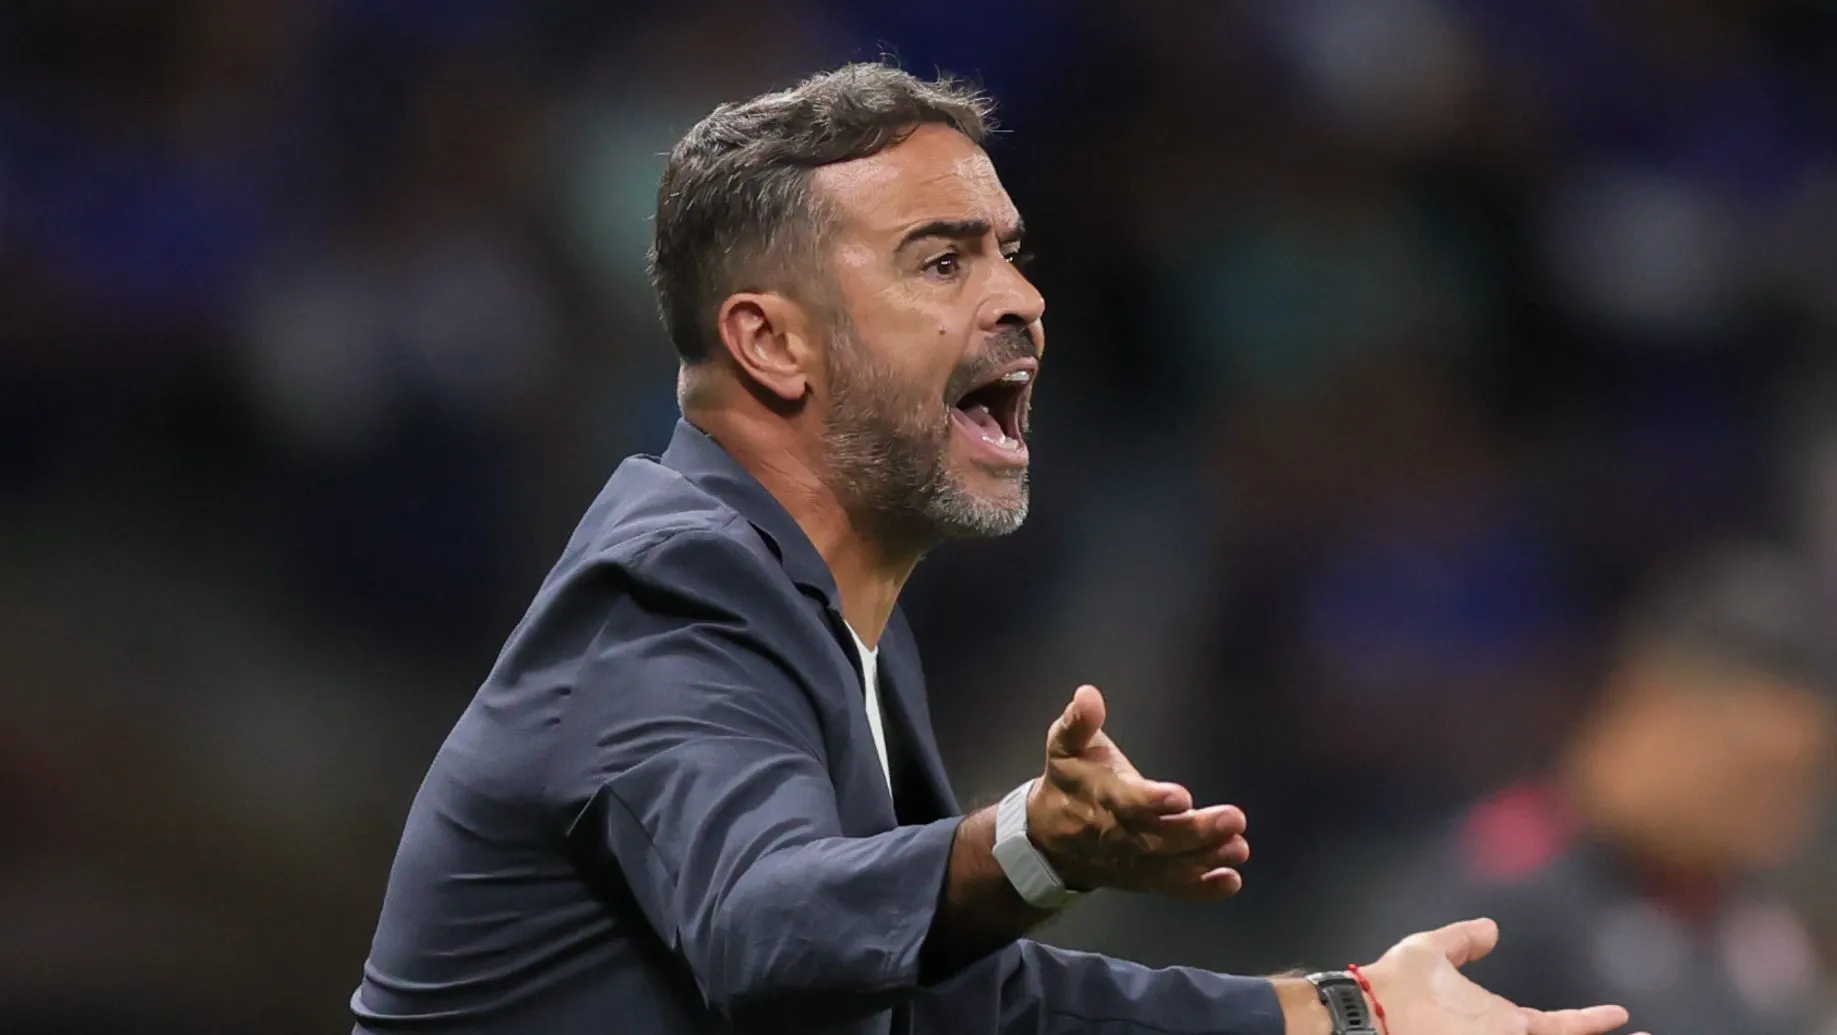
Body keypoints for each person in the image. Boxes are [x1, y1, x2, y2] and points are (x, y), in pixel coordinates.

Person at [351, 63, 1638, 1035]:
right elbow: (765, 927)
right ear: (770, 342)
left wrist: (1354, 1010)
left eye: (1008, 254)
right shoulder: (669, 593)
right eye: (941, 260)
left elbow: (961, 1004)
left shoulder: (832, 624)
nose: (1018, 297)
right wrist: (1033, 842)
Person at [1342, 543, 1835, 1035]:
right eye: (1763, 776)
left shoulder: (1751, 915)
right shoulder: (1496, 900)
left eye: (1803, 785)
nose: (1783, 821)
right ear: (1655, 711)